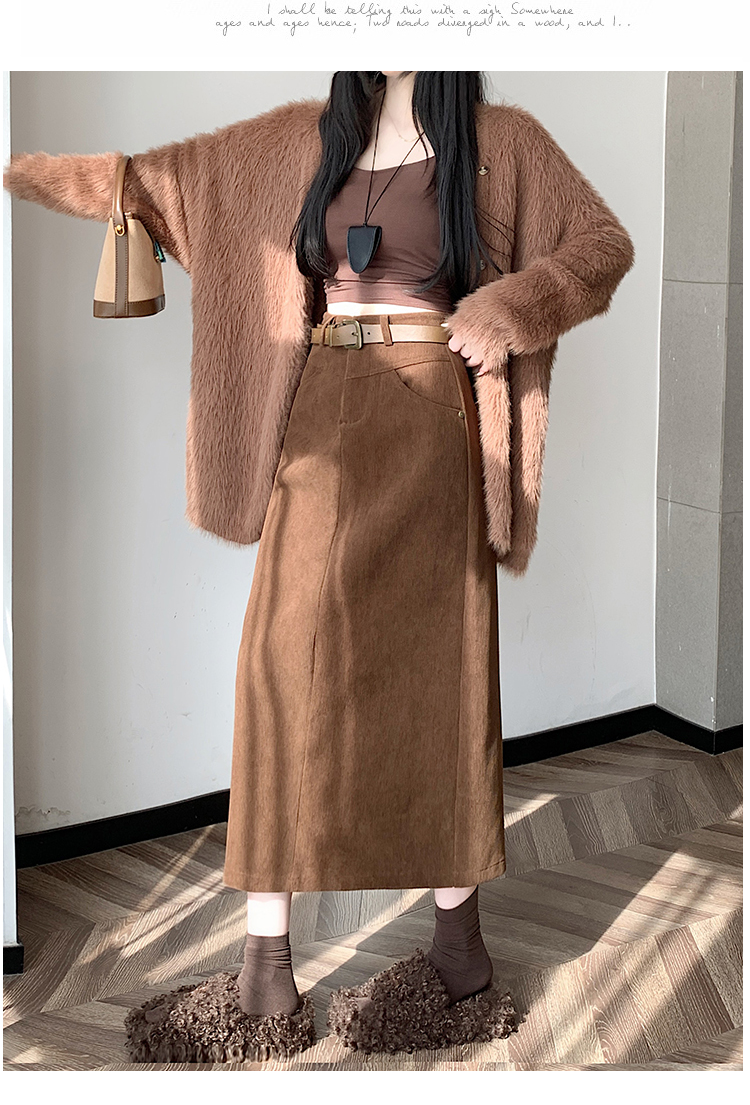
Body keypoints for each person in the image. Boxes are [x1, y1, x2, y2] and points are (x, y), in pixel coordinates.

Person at [3, 70, 635, 1061]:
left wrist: (512, 307)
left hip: (433, 415)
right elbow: (158, 181)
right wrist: (22, 170)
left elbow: (600, 245)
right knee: (280, 672)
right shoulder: (302, 138)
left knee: (441, 679)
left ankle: (460, 957)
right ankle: (265, 976)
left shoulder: (500, 139)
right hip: (324, 401)